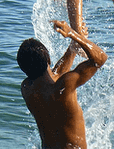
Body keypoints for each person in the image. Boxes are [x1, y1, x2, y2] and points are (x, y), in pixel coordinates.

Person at [17, 20, 107, 149]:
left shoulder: (27, 88)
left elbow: (54, 75)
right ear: (48, 60)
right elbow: (100, 59)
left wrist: (73, 47)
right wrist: (74, 35)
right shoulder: (65, 86)